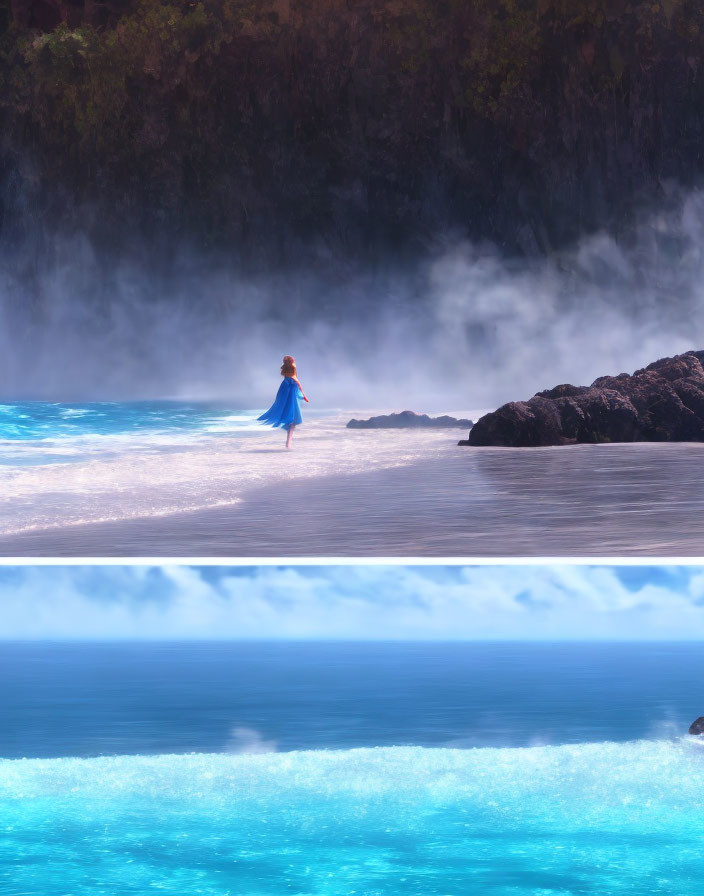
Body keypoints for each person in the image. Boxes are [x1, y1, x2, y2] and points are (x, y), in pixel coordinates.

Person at [258, 355, 309, 449]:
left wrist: (278, 397)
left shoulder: (284, 367)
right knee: (293, 413)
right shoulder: (293, 366)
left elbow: (287, 378)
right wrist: (304, 395)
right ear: (292, 360)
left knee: (285, 408)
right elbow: (296, 379)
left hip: (285, 387)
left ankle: (288, 440)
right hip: (293, 388)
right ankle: (288, 442)